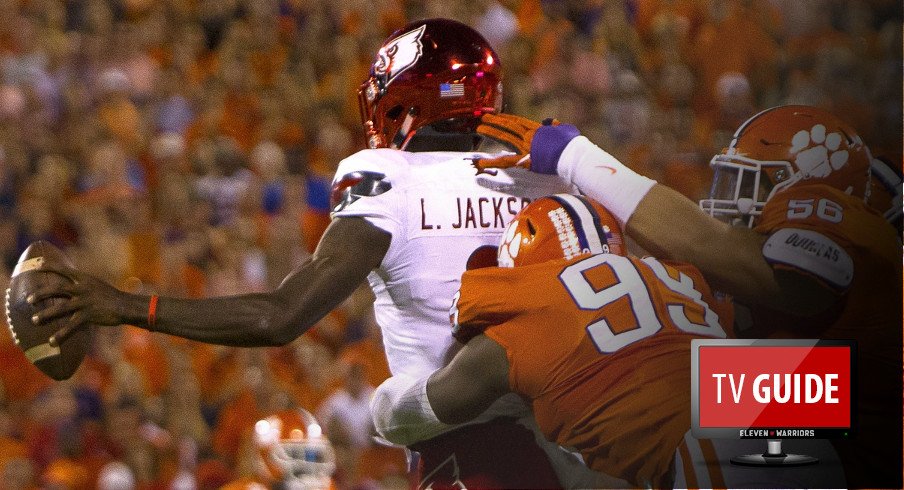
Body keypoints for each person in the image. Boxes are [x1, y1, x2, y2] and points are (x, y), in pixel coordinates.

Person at [27, 18, 605, 488]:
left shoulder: (389, 176)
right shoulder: (546, 176)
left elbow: (279, 318)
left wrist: (127, 307)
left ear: (411, 101)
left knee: (388, 410)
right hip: (582, 444)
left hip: (471, 452)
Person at [472, 105, 903, 489]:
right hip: (835, 420)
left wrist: (581, 161)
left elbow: (747, 265)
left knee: (650, 388)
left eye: (749, 185)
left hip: (848, 431)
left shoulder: (854, 232)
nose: (732, 204)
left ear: (806, 184)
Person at [371, 193, 731, 488]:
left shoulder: (536, 307)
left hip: (707, 452)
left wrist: (385, 402)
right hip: (763, 392)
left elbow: (418, 412)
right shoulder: (675, 275)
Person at [222, 408, 336, 489]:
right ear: (267, 456)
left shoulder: (325, 486)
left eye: (310, 454)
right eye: (294, 454)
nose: (304, 463)